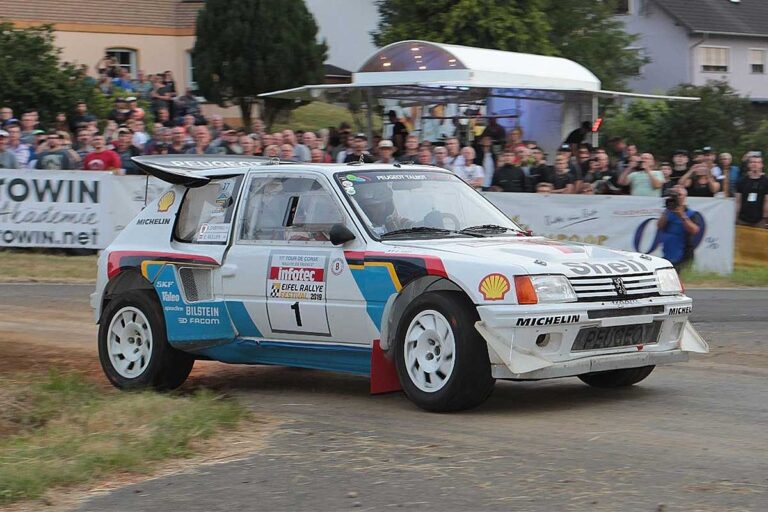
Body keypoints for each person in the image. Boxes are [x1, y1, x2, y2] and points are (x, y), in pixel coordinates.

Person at [657, 186, 701, 271]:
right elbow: (659, 226)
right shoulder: (668, 212)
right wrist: (667, 210)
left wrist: (682, 216)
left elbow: (695, 230)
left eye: (679, 195)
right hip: (668, 252)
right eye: (674, 195)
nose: (676, 197)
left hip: (684, 253)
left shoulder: (691, 213)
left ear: (685, 197)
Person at [735, 154, 768, 228]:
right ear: (748, 165)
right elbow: (738, 201)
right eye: (752, 162)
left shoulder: (766, 181)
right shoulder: (741, 181)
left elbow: (767, 201)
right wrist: (735, 217)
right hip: (742, 220)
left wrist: (765, 219)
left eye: (758, 162)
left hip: (760, 221)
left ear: (762, 165)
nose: (755, 164)